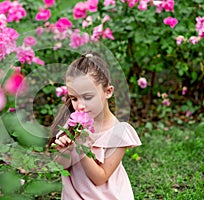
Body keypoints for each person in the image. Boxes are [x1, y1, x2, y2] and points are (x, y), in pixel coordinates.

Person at [48, 51, 142, 200]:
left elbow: (100, 178)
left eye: (88, 97)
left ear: (108, 91)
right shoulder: (73, 124)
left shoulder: (118, 133)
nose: (80, 106)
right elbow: (63, 166)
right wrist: (62, 151)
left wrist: (81, 149)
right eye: (74, 98)